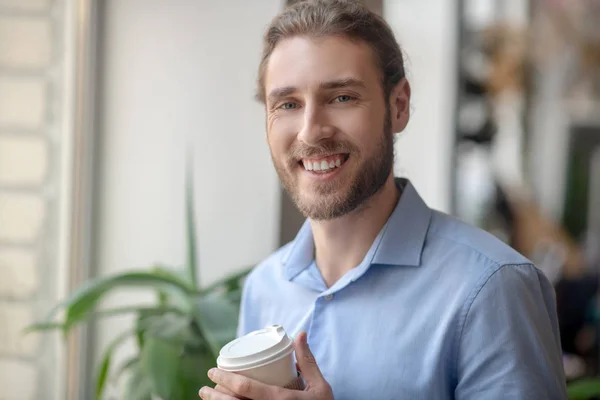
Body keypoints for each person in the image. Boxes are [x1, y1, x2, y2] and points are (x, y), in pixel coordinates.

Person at [199, 0, 568, 399]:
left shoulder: (493, 288)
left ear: (399, 105)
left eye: (341, 97)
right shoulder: (263, 289)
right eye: (287, 104)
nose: (310, 132)